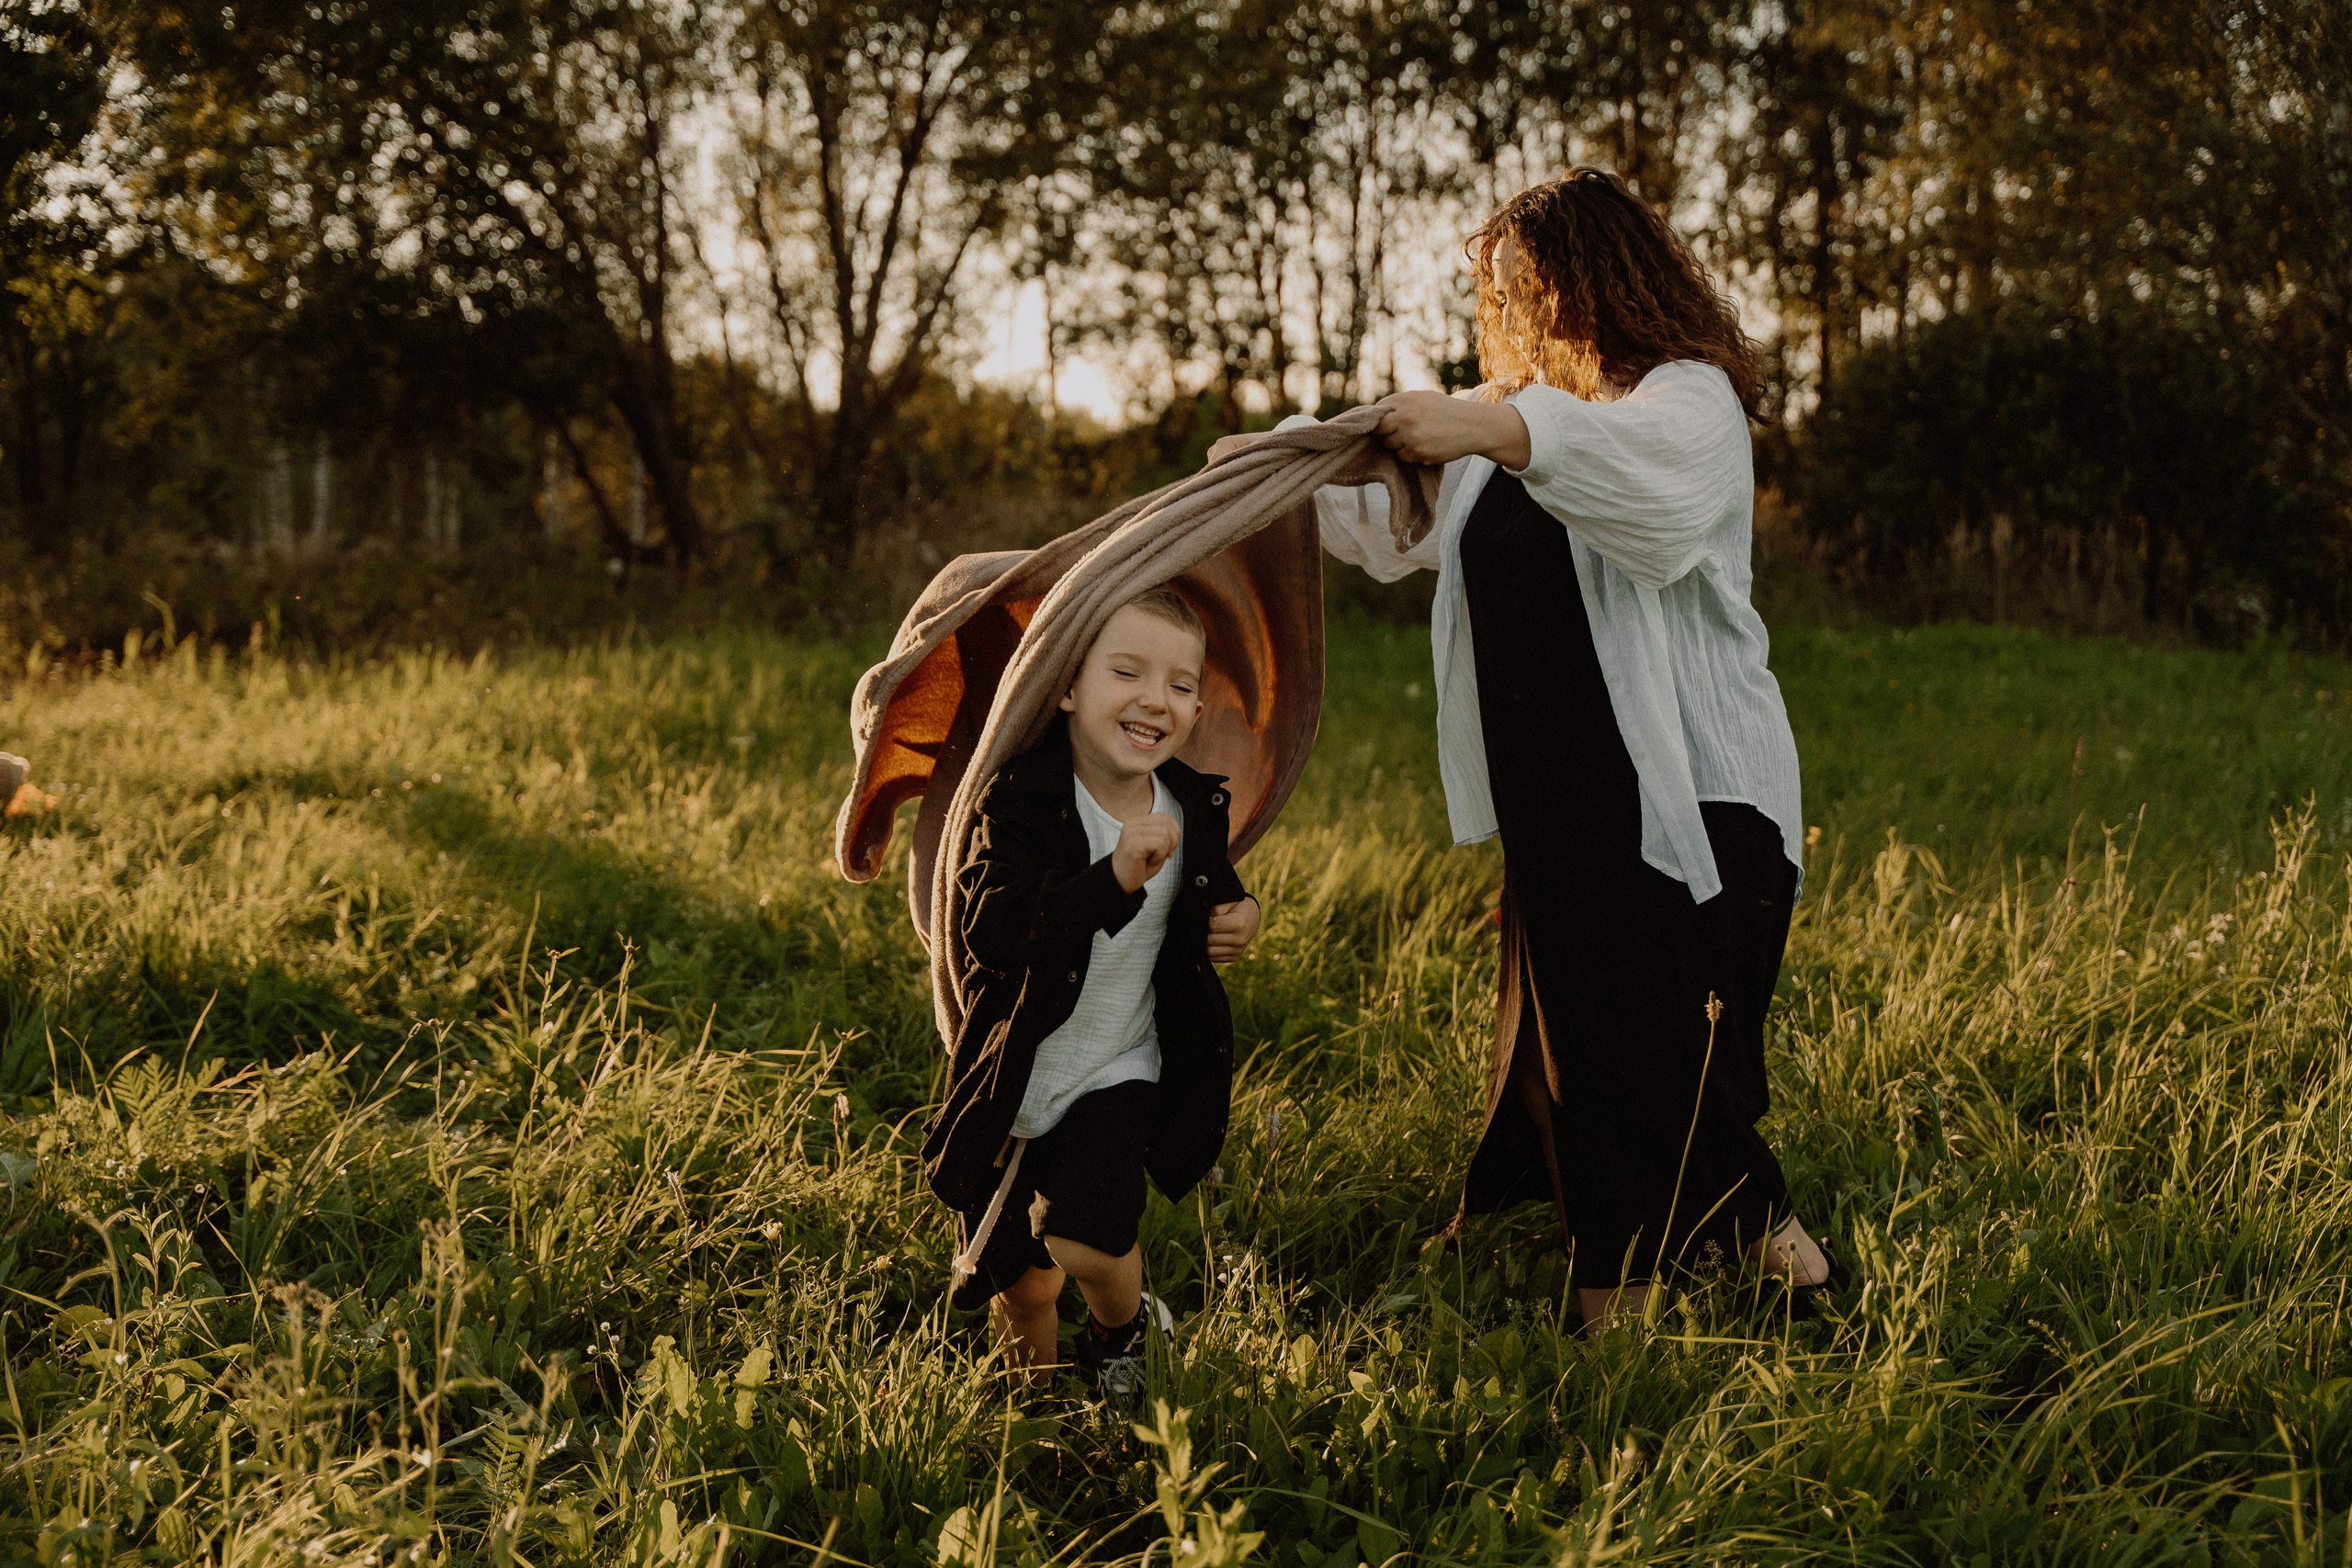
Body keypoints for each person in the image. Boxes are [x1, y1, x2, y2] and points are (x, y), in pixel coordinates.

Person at [1293, 167, 1849, 1330]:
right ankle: (1775, 1269)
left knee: (1655, 1063)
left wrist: (1492, 426)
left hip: (1697, 802)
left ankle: (1628, 1319)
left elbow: (1647, 503)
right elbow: (1383, 518)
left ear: (1606, 277)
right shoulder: (1511, 425)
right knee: (1606, 1058)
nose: (1520, 310)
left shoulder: (1685, 401)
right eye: (1502, 291)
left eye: (1535, 282)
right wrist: (1279, 466)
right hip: (1565, 807)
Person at [921, 587, 1264, 1398]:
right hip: (1013, 1069)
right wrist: (1110, 878)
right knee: (1023, 1282)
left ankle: (1120, 1329)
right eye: (1128, 672)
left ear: (1195, 710)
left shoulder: (1188, 805)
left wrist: (1241, 913)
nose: (1156, 698)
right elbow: (992, 930)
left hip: (1118, 1063)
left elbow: (1215, 886)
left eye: (1180, 684)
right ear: (1068, 686)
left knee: (1087, 1238)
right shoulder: (1018, 799)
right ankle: (1034, 1402)